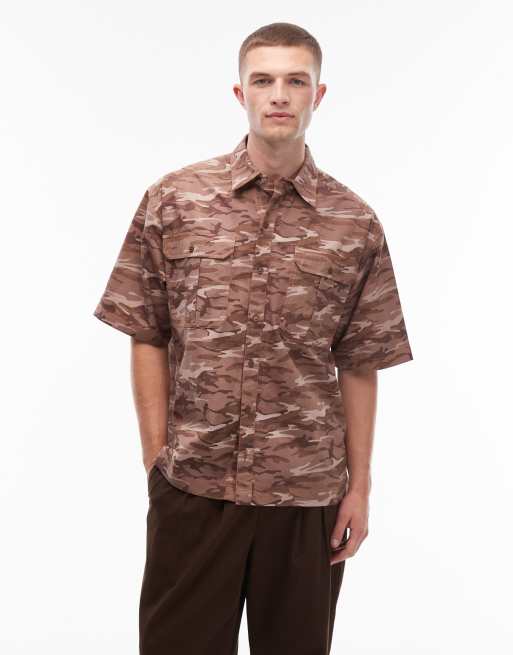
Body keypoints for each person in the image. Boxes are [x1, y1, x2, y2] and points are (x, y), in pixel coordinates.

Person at [93, 21, 413, 655]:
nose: (279, 95)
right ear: (240, 94)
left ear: (319, 95)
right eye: (263, 80)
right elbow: (146, 331)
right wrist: (157, 460)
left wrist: (359, 488)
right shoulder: (175, 200)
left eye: (296, 81)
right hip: (194, 489)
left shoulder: (355, 223)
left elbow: (359, 363)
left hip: (308, 497)